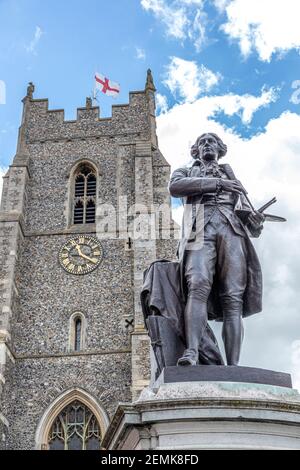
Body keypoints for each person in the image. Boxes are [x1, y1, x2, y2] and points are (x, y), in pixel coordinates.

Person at [169, 133, 265, 366]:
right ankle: (191, 351)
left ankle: (233, 366)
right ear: (196, 150)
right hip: (199, 230)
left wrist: (255, 220)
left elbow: (249, 219)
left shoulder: (231, 174)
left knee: (233, 298)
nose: (207, 145)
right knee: (197, 285)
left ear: (220, 149)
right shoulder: (187, 171)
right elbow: (175, 187)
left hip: (232, 231)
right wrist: (219, 184)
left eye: (211, 142)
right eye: (201, 142)